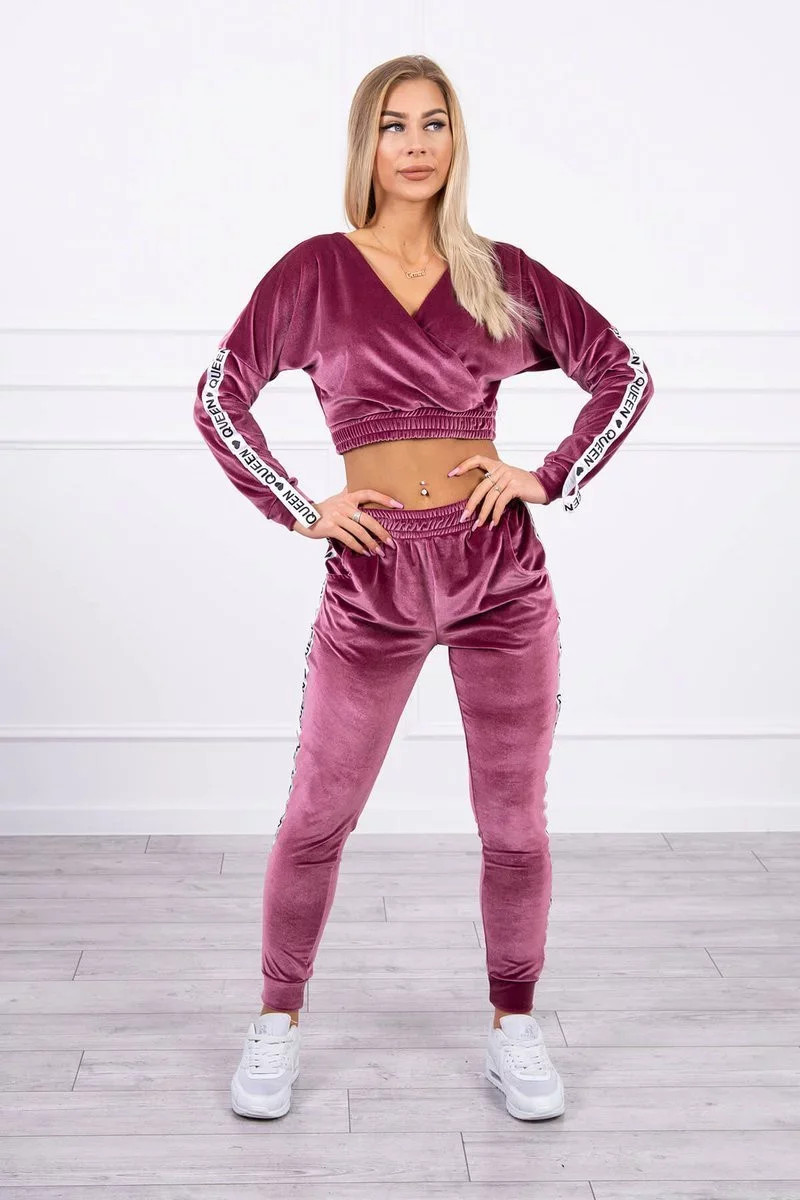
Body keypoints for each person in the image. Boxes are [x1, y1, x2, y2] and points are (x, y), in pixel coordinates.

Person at [194, 55, 654, 1123]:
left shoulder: (499, 271)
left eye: (433, 123)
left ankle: (514, 1027)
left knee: (514, 824)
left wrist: (546, 474)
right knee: (318, 813)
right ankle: (275, 1022)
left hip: (499, 575)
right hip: (373, 578)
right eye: (394, 125)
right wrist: (299, 505)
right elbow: (219, 395)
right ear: (366, 144)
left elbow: (623, 373)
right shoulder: (315, 271)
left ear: (455, 140)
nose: (414, 144)